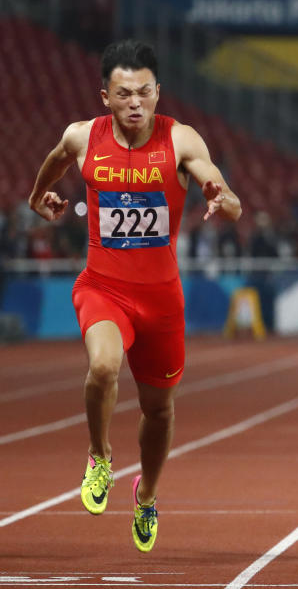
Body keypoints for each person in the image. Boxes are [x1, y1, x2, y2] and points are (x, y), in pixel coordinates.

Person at [27, 39, 242, 552]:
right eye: (124, 93)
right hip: (103, 287)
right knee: (102, 367)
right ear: (105, 96)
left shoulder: (181, 140)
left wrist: (223, 198)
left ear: (158, 92)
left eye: (144, 92)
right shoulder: (82, 137)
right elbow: (55, 161)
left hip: (162, 301)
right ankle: (99, 457)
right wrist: (38, 198)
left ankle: (146, 496)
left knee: (159, 412)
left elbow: (224, 194)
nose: (135, 103)